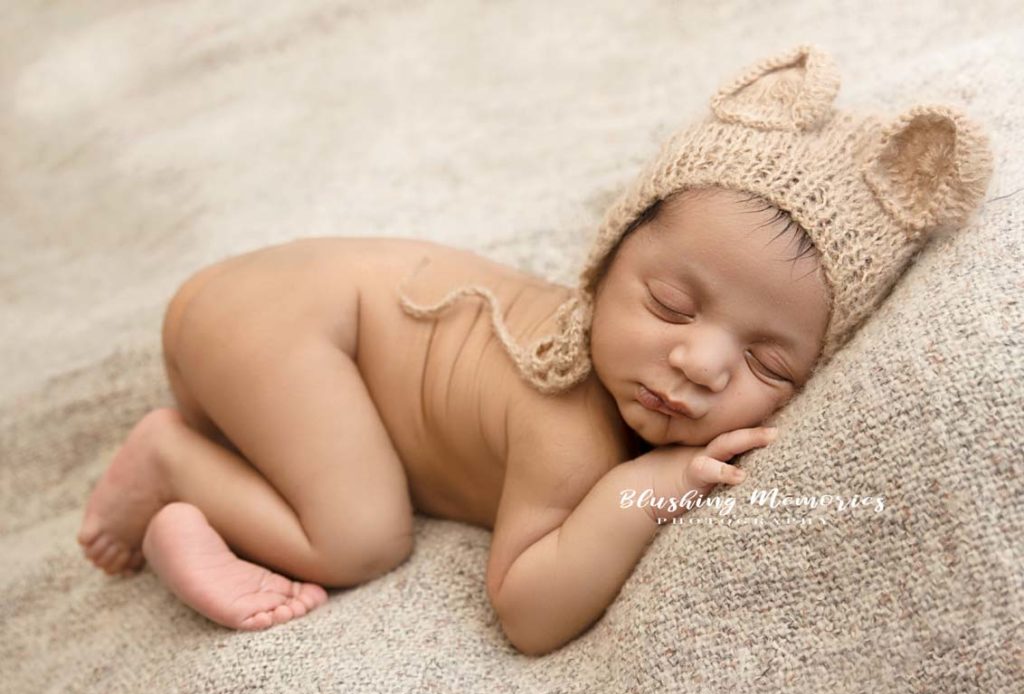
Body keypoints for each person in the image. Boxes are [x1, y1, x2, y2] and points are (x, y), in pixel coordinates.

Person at [77, 45, 992, 655]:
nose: (702, 365)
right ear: (601, 265)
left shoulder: (654, 365)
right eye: (671, 304)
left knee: (336, 467)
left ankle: (202, 495)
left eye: (769, 366)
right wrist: (649, 492)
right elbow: (525, 610)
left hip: (270, 343)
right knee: (361, 535)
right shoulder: (572, 421)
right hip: (281, 323)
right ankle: (171, 459)